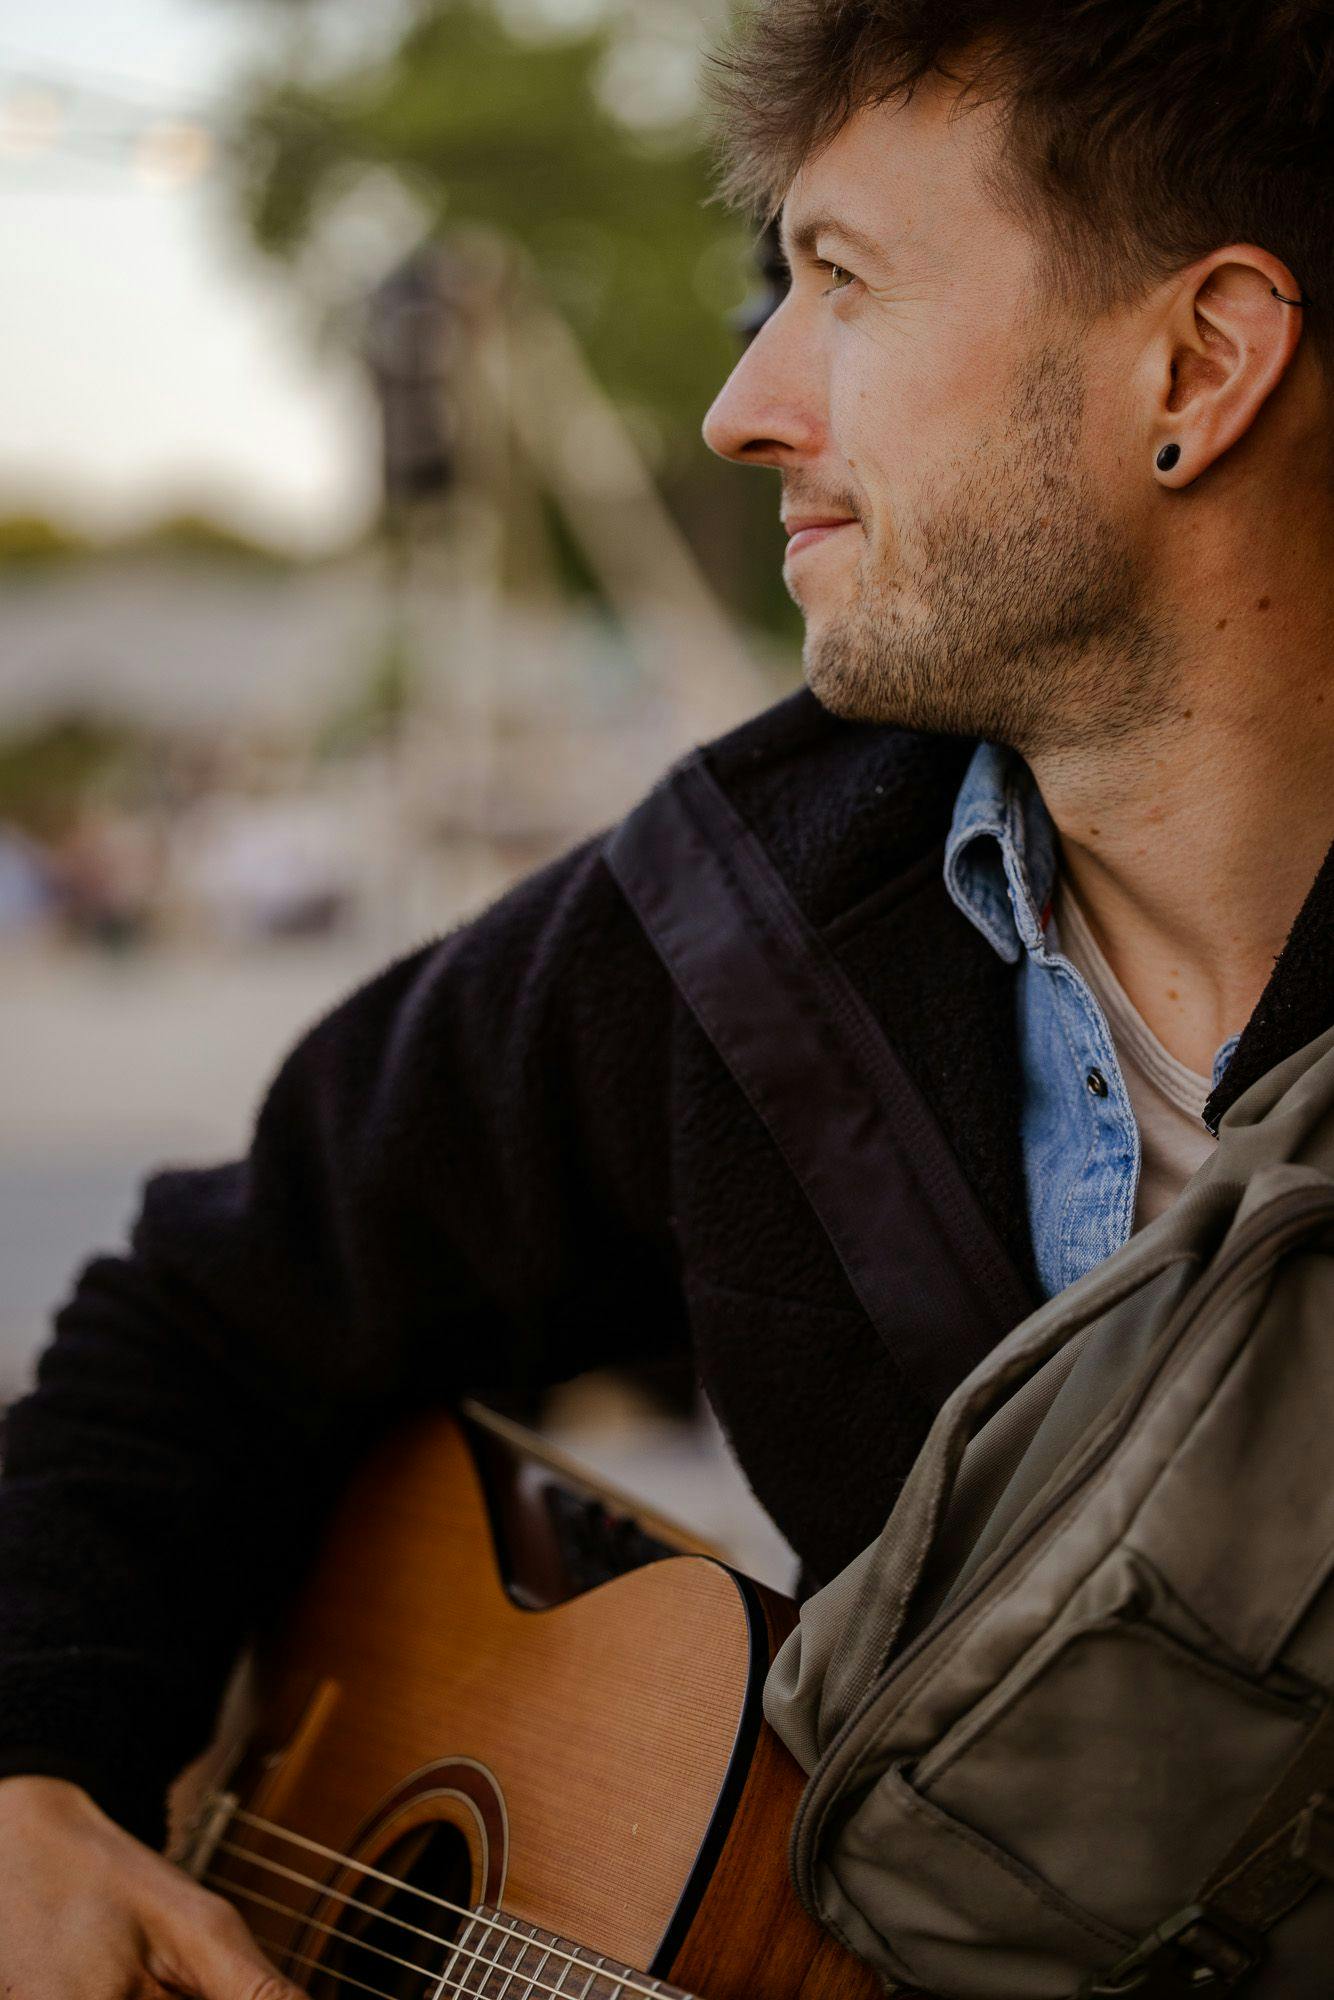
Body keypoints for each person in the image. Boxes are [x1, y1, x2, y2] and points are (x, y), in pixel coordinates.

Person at [3, 2, 1333, 1993]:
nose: (743, 405)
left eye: (840, 283)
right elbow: (208, 1316)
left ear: (1198, 363)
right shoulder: (743, 911)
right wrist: (38, 1774)